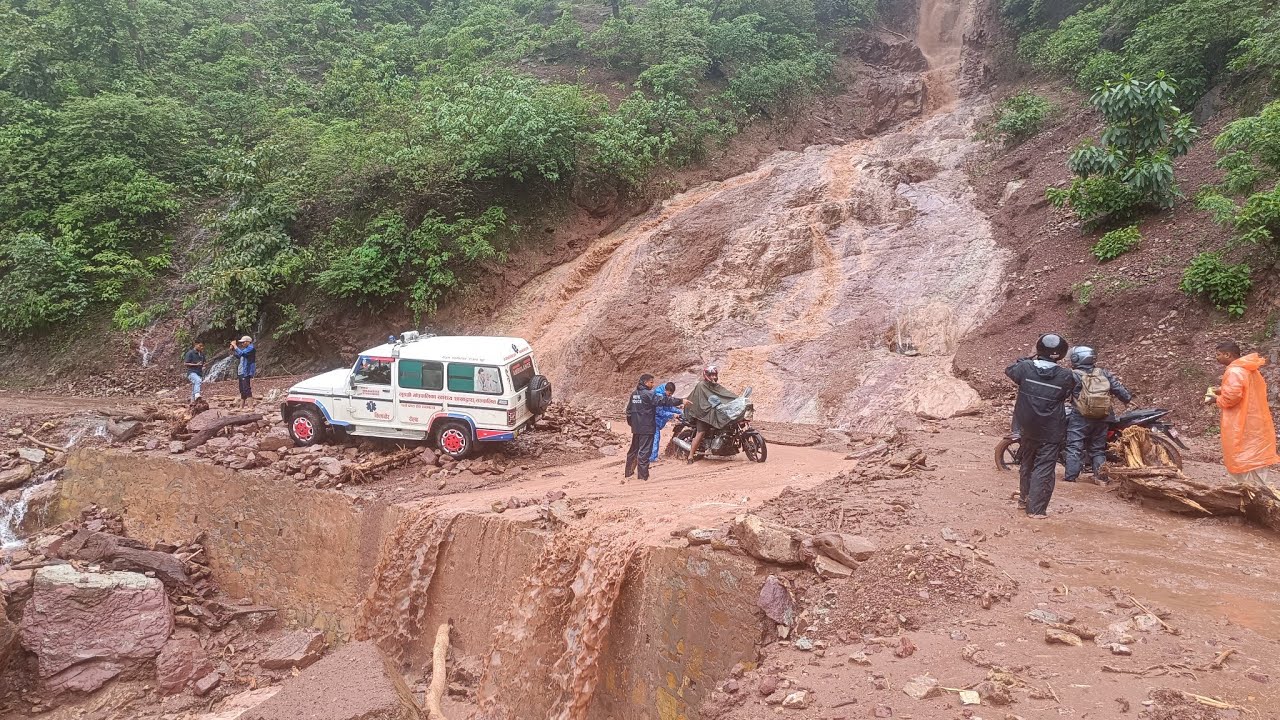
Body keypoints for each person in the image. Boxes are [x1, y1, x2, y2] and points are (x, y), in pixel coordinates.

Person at [1005, 334, 1078, 519]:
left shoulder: (1025, 368)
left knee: (1027, 464)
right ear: (1061, 354)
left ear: (1039, 349)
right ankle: (1036, 511)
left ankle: (1024, 501)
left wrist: (1027, 359)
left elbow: (1010, 370)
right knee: (1044, 468)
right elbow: (1074, 389)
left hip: (1027, 427)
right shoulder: (1066, 376)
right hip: (1051, 430)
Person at [1209, 340, 1279, 483]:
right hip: (1254, 421)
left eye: (1218, 354)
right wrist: (1221, 390)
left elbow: (1231, 398)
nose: (1216, 358)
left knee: (1243, 461)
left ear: (1228, 355)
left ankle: (1250, 497)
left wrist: (1215, 399)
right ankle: (1260, 494)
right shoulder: (1249, 369)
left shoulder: (1234, 371)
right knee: (1255, 460)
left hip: (1241, 422)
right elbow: (1245, 389)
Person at [1063, 346, 1132, 485]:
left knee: (1074, 446)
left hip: (1080, 416)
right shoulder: (1103, 373)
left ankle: (1071, 477)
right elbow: (1121, 391)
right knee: (1098, 449)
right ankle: (1101, 478)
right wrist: (1127, 398)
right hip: (1103, 417)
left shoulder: (1073, 375)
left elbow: (1063, 394)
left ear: (1076, 358)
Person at [625, 374, 684, 482]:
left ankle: (628, 473)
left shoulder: (634, 394)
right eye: (651, 382)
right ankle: (643, 477)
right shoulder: (649, 394)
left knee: (633, 450)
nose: (653, 384)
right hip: (647, 427)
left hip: (637, 428)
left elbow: (629, 411)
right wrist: (681, 401)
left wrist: (633, 424)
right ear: (645, 382)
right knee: (644, 452)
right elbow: (664, 401)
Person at [685, 365, 740, 463]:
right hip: (701, 414)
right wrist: (711, 407)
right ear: (706, 375)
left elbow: (725, 394)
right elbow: (702, 402)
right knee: (701, 433)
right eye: (711, 375)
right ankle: (690, 456)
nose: (713, 377)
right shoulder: (701, 385)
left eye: (715, 375)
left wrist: (738, 400)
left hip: (712, 412)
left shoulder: (715, 386)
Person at [650, 382, 680, 463]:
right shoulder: (658, 396)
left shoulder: (665, 394)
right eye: (669, 393)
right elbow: (660, 412)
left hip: (657, 420)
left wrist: (680, 411)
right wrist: (672, 415)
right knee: (655, 438)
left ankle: (651, 456)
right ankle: (652, 458)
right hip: (653, 420)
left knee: (654, 438)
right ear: (666, 390)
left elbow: (669, 407)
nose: (670, 395)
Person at [231, 336, 257, 407]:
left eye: (243, 342)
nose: (242, 344)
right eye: (241, 342)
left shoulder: (251, 348)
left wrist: (235, 346)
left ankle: (251, 406)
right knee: (242, 388)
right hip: (241, 370)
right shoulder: (245, 349)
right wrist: (233, 349)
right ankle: (241, 406)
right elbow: (239, 356)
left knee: (246, 387)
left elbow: (242, 354)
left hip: (246, 371)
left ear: (248, 342)